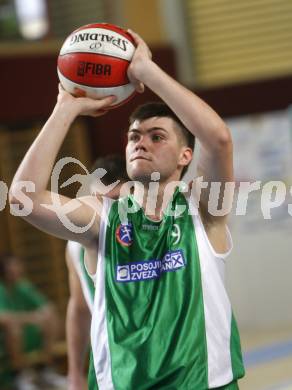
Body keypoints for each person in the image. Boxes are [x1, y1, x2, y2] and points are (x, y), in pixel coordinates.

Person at [9, 29, 245, 389]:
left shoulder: (203, 209)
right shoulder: (101, 218)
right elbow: (23, 199)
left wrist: (146, 71)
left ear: (186, 157)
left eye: (157, 136)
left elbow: (218, 139)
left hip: (204, 382)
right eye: (134, 137)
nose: (140, 143)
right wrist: (65, 108)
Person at [65, 155, 128, 390]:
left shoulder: (154, 236)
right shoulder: (74, 246)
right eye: (95, 201)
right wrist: (75, 373)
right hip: (109, 367)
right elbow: (80, 309)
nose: (102, 210)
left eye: (114, 200)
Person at [0, 254, 67, 390]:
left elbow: (47, 307)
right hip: (6, 339)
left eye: (18, 265)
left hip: (28, 333)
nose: (17, 269)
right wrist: (32, 318)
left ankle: (44, 369)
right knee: (13, 329)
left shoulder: (23, 286)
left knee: (51, 318)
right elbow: (4, 318)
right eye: (13, 266)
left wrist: (43, 316)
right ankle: (20, 375)